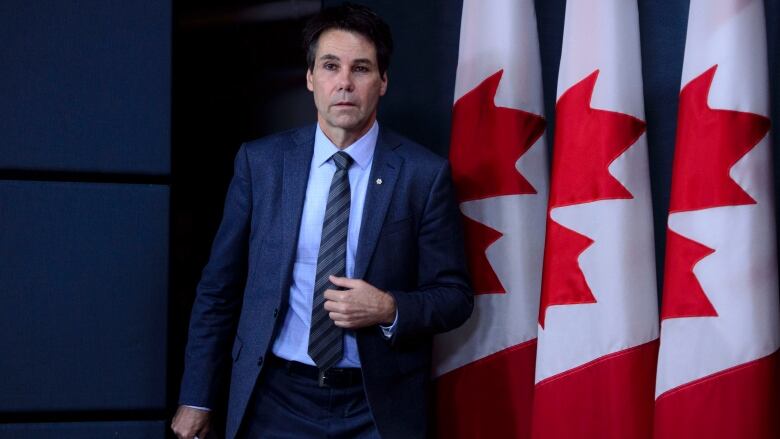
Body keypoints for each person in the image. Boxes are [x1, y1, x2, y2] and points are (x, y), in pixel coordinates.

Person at [171, 3, 473, 438]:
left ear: (383, 81)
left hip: (375, 405)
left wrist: (388, 308)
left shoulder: (423, 176)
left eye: (362, 68)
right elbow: (219, 289)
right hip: (274, 399)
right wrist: (196, 397)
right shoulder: (262, 164)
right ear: (311, 77)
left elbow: (455, 296)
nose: (345, 83)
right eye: (331, 66)